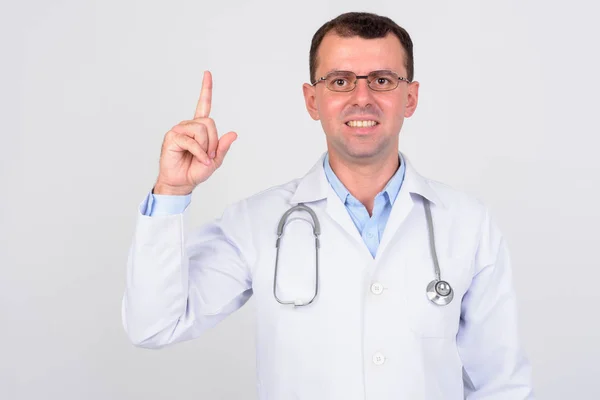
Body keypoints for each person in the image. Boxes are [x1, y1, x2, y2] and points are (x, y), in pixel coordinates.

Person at [122, 11, 534, 399]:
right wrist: (171, 190)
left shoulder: (467, 222)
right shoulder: (256, 222)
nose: (362, 97)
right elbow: (154, 325)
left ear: (410, 97)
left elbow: (501, 384)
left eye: (383, 80)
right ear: (312, 100)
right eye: (339, 81)